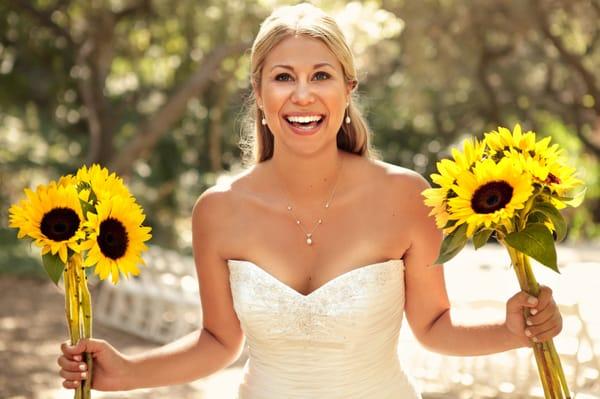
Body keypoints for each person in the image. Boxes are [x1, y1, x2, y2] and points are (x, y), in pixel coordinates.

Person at [57, 3, 564, 398]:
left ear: (348, 88)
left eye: (320, 75)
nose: (302, 95)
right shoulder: (217, 210)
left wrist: (513, 328)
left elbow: (434, 327)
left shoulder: (408, 196)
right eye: (283, 77)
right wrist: (125, 373)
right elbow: (218, 340)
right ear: (258, 91)